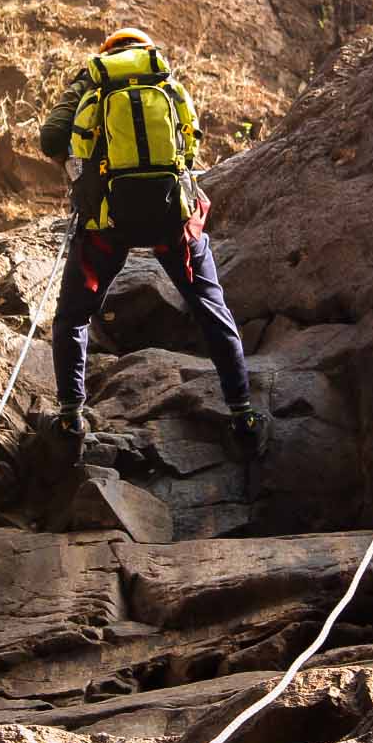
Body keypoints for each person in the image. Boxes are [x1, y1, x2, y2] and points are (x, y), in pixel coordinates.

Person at [38, 27, 269, 457]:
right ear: (145, 50)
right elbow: (189, 143)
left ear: (108, 52)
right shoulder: (164, 78)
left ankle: (70, 420)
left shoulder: (92, 80)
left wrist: (83, 180)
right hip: (170, 219)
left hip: (107, 222)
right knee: (210, 305)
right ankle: (245, 418)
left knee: (72, 317)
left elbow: (51, 138)